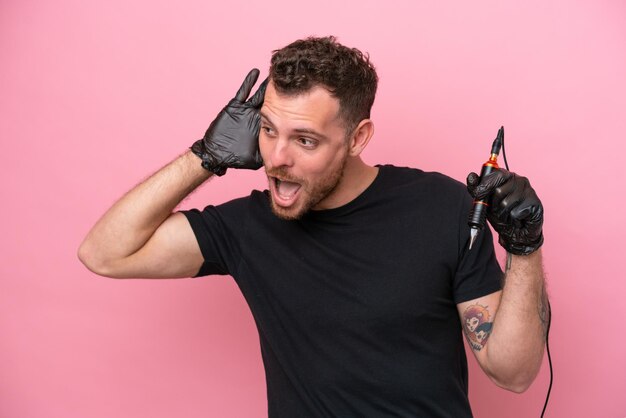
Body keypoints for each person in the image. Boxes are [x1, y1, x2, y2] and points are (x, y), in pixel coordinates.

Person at [78, 36, 549, 417]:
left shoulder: (441, 206)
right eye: (267, 130)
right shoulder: (246, 228)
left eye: (305, 139)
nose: (277, 159)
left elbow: (513, 373)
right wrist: (206, 156)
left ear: (358, 137)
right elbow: (104, 253)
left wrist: (524, 247)